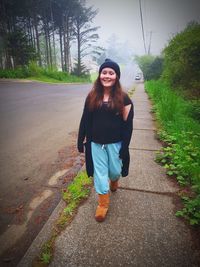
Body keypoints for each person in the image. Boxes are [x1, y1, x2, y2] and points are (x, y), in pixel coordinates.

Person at [77, 59, 134, 222]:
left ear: (116, 76)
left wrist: (125, 146)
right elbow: (85, 119)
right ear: (99, 75)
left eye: (111, 73)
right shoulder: (92, 96)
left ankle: (114, 181)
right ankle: (102, 204)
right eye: (104, 72)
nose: (107, 76)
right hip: (96, 144)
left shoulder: (124, 98)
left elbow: (128, 125)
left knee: (115, 171)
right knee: (100, 174)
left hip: (116, 143)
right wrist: (81, 139)